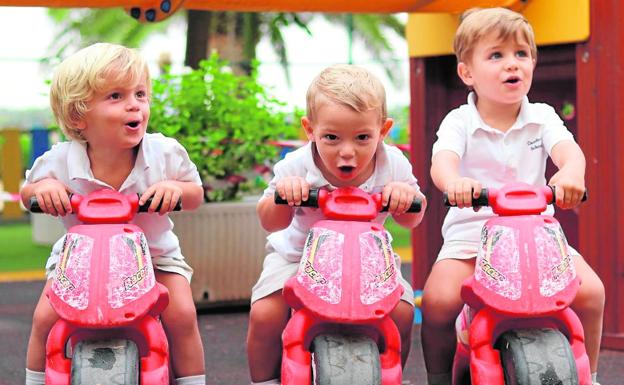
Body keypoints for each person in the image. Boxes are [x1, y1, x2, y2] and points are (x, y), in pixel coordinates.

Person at [423, 7, 605, 385]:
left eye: (522, 54)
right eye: (497, 55)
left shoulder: (542, 116)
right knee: (439, 300)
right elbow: (442, 162)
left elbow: (569, 153)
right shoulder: (460, 121)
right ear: (467, 72)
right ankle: (438, 376)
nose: (513, 64)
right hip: (473, 238)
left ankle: (591, 372)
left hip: (536, 237)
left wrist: (571, 174)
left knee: (591, 292)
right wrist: (454, 182)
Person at [20, 43, 206, 385]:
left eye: (140, 93)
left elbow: (195, 194)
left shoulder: (164, 153)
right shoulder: (60, 160)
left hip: (154, 258)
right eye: (116, 96)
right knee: (46, 317)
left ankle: (192, 380)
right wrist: (41, 189)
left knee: (180, 312)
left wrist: (175, 190)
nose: (135, 104)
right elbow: (27, 193)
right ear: (79, 116)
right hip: (79, 263)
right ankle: (35, 379)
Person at [246, 64, 427, 384]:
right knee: (266, 314)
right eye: (331, 137)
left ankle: (391, 371)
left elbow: (413, 217)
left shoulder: (392, 162)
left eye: (362, 138)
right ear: (310, 129)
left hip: (369, 260)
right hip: (299, 258)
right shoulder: (297, 165)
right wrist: (282, 198)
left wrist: (404, 196)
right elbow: (269, 222)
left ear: (383, 131)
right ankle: (264, 380)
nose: (347, 152)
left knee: (401, 311)